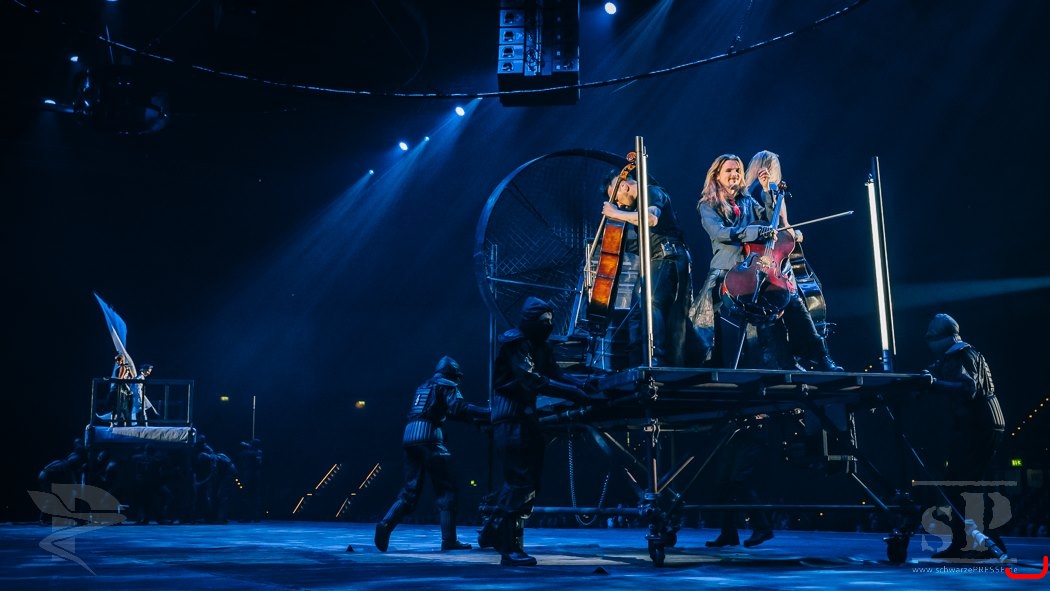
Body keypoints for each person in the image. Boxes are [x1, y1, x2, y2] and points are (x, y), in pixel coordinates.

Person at [690, 153, 841, 370]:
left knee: (792, 300)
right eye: (729, 170)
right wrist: (752, 232)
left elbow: (772, 221)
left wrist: (768, 191)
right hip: (728, 270)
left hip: (756, 268)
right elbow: (720, 232)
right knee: (748, 309)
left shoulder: (748, 201)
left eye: (737, 170)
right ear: (716, 175)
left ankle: (820, 356)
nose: (734, 174)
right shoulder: (707, 205)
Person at [478, 296, 595, 566]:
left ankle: (493, 531)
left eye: (550, 319)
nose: (549, 324)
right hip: (510, 417)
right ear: (530, 320)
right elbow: (531, 379)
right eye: (544, 319)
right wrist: (574, 393)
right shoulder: (516, 343)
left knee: (529, 482)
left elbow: (555, 374)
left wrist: (584, 384)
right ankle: (509, 547)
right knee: (520, 481)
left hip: (526, 417)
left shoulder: (540, 346)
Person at [374, 356, 490, 553]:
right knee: (447, 489)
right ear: (453, 374)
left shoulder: (424, 387)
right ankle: (449, 540)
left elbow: (442, 411)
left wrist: (474, 419)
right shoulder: (446, 385)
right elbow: (457, 408)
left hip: (410, 436)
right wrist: (487, 412)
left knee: (410, 492)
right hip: (429, 438)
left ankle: (385, 524)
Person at [742, 150, 841, 372]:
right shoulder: (758, 192)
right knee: (789, 307)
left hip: (777, 261)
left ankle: (805, 358)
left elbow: (783, 225)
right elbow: (771, 224)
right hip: (766, 261)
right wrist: (790, 233)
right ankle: (812, 358)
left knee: (793, 306)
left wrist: (793, 233)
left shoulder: (770, 191)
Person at [921, 313, 1006, 559]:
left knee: (963, 484)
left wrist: (932, 384)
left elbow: (967, 389)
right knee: (961, 483)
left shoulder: (960, 354)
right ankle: (969, 541)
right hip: (980, 422)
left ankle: (978, 542)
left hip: (979, 423)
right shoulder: (960, 354)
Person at [599, 167, 697, 367]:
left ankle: (656, 359)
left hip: (668, 257)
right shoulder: (635, 209)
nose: (618, 204)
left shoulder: (651, 191)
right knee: (637, 312)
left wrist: (616, 213)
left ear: (624, 186)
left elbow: (652, 219)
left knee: (651, 302)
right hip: (655, 259)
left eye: (616, 198)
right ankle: (638, 362)